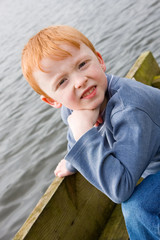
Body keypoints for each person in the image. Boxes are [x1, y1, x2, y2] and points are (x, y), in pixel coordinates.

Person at [21, 25, 160, 239]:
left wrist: (86, 137)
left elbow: (120, 189)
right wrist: (71, 159)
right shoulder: (74, 107)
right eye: (62, 81)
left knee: (137, 208)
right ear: (52, 100)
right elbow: (73, 134)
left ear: (100, 60)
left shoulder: (130, 109)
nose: (79, 81)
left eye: (82, 64)